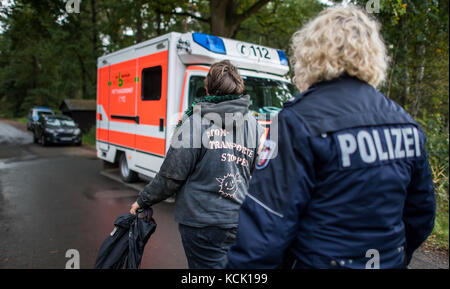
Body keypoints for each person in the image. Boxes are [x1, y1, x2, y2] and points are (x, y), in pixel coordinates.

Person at [226, 5, 436, 269]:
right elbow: (421, 215)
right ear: (372, 54)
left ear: (311, 52)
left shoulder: (297, 121)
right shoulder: (405, 123)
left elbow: (266, 229)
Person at [130, 60, 264, 269]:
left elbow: (171, 175)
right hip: (238, 220)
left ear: (208, 88)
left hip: (201, 222)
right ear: (238, 88)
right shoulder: (254, 125)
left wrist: (143, 201)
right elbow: (256, 172)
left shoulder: (195, 121)